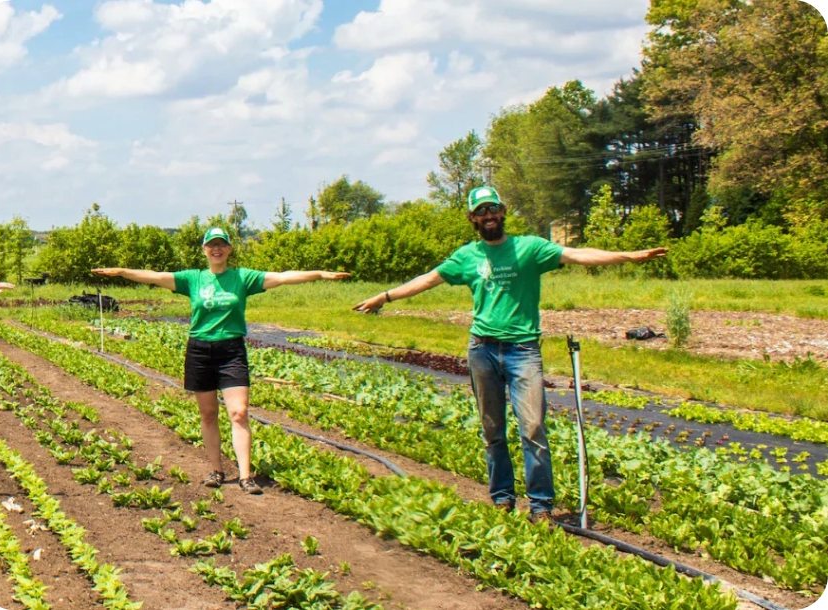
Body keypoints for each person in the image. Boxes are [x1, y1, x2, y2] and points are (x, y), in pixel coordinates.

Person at [353, 186, 667, 523]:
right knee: (493, 430)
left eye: (493, 209)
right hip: (482, 350)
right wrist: (384, 297)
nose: (488, 216)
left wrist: (629, 256)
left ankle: (541, 506)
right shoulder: (467, 256)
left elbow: (578, 254)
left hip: (523, 351)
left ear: (503, 212)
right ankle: (502, 498)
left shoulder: (529, 248)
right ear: (473, 218)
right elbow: (428, 280)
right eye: (481, 211)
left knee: (532, 427)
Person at [94, 227, 350, 495]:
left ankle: (245, 476)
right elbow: (157, 277)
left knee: (238, 413)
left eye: (222, 245)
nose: (216, 249)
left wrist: (319, 274)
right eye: (211, 245)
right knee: (208, 414)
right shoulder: (193, 278)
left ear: (229, 249)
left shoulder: (243, 278)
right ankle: (216, 471)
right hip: (200, 350)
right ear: (204, 249)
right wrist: (123, 272)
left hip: (231, 351)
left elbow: (283, 277)